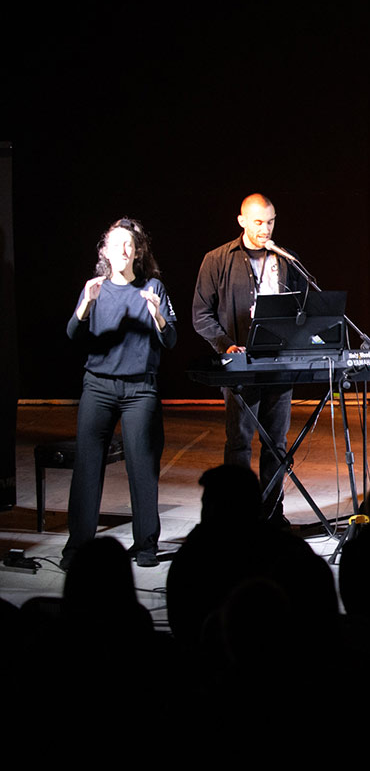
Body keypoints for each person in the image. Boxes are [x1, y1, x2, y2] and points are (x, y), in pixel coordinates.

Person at [63, 218, 176, 569]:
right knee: (87, 466)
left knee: (142, 468)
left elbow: (171, 340)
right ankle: (77, 547)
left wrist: (157, 316)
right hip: (98, 386)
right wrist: (86, 304)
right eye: (116, 245)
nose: (123, 250)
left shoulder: (153, 288)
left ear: (138, 252)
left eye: (129, 245)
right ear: (105, 252)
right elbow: (72, 334)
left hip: (140, 389)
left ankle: (146, 546)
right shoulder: (95, 288)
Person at [193, 193, 306, 525]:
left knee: (277, 443)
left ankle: (272, 513)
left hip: (279, 364)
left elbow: (303, 309)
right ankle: (237, 516)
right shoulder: (217, 259)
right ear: (242, 221)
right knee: (239, 441)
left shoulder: (286, 260)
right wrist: (226, 345)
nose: (265, 229)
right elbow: (201, 314)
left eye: (270, 222)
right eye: (258, 222)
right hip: (240, 367)